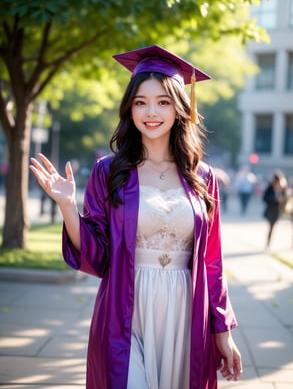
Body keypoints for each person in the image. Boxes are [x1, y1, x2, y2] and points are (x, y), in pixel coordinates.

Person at [30, 45, 242, 389]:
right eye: (140, 102)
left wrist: (223, 331)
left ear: (179, 108)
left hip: (185, 310)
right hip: (124, 307)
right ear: (129, 108)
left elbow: (212, 262)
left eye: (162, 101)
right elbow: (96, 258)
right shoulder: (109, 171)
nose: (151, 111)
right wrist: (69, 207)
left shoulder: (202, 177)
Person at [263, 171, 287, 251]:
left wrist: (281, 200)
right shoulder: (270, 187)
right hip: (270, 210)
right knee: (271, 227)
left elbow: (285, 199)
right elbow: (265, 198)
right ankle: (268, 244)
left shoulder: (282, 188)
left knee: (272, 227)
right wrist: (273, 198)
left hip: (277, 211)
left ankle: (269, 244)